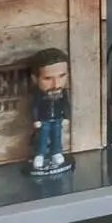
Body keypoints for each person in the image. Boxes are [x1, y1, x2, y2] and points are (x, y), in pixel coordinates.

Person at [27, 47, 72, 175]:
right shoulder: (38, 95)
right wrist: (35, 119)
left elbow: (66, 105)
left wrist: (67, 116)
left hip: (58, 119)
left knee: (57, 136)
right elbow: (34, 107)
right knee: (42, 137)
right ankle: (40, 154)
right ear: (35, 79)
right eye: (48, 78)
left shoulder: (62, 93)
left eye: (62, 76)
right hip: (44, 121)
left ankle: (56, 152)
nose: (56, 84)